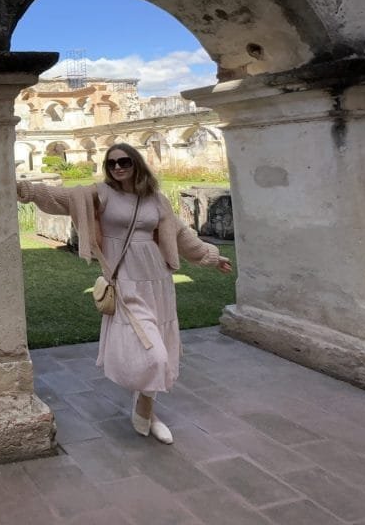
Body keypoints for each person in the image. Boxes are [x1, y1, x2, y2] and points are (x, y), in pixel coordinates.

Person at [16, 143, 232, 445]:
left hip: (157, 279)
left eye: (124, 162)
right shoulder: (101, 194)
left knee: (162, 347)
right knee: (152, 352)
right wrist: (22, 189)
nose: (118, 167)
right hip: (125, 280)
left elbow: (180, 234)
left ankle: (147, 408)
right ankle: (145, 408)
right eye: (112, 163)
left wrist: (210, 256)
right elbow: (61, 198)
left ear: (136, 163)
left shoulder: (155, 200)